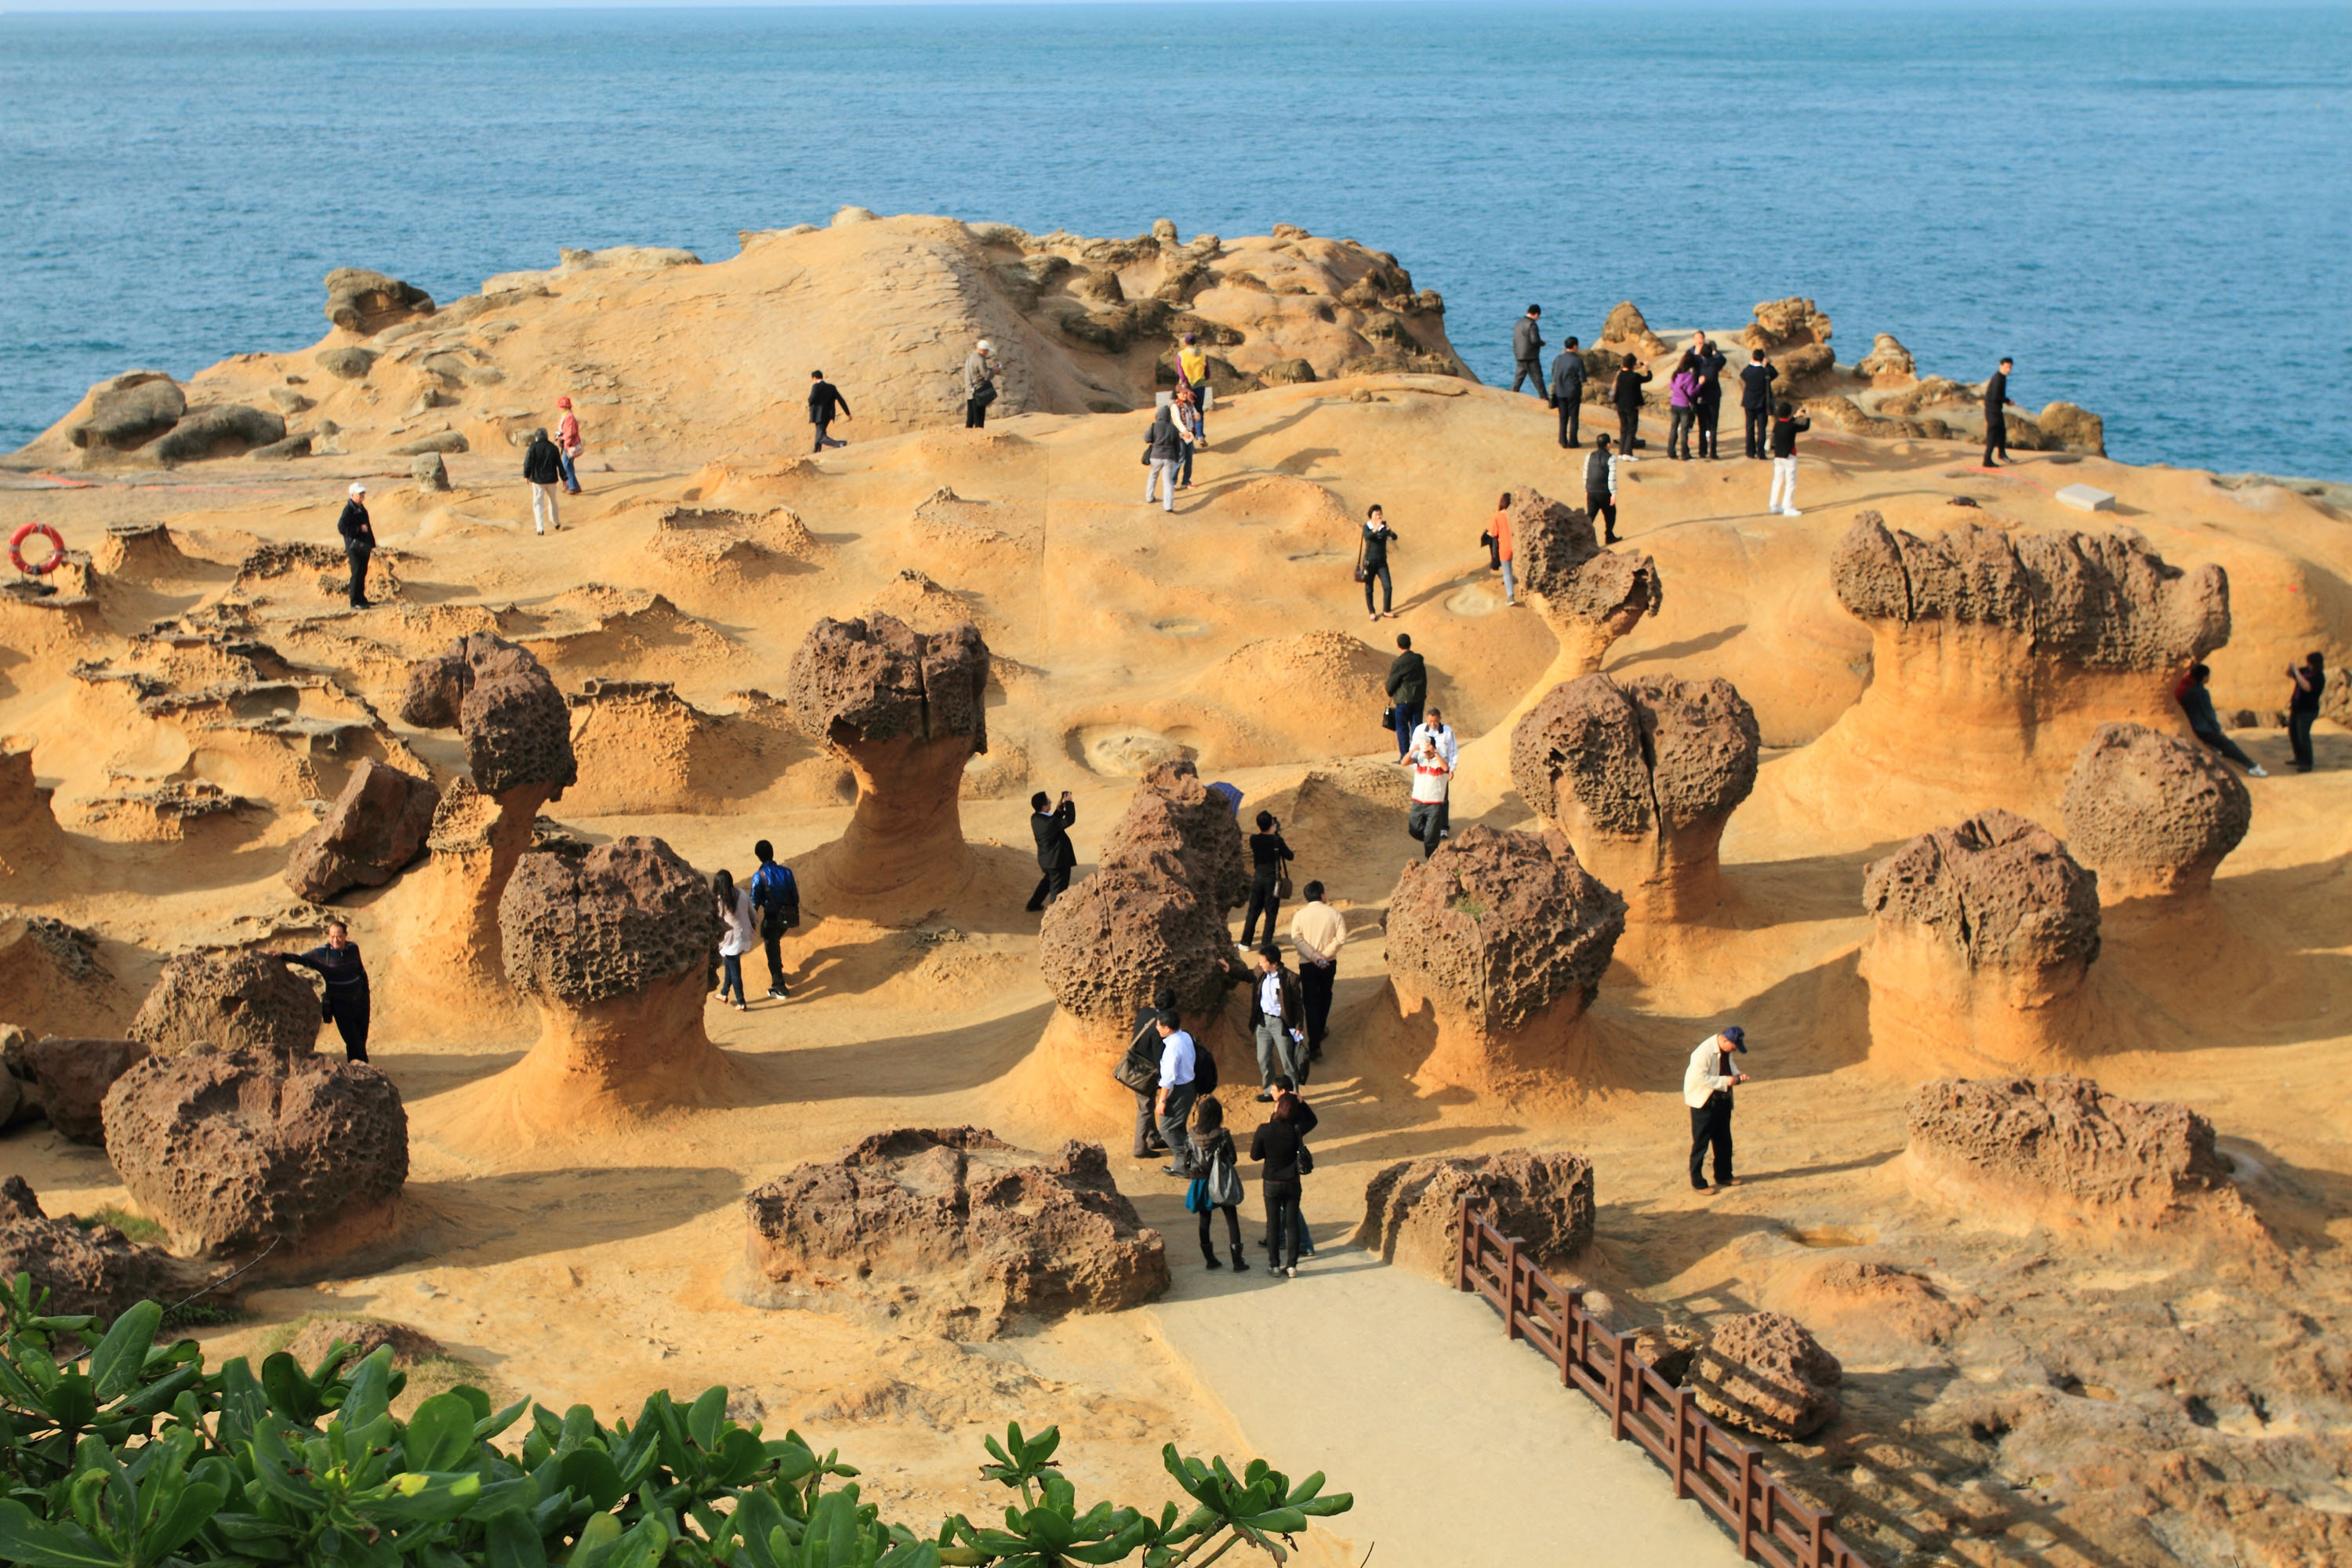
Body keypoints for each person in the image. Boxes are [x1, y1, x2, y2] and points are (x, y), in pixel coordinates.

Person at [1250, 1079, 1319, 1277]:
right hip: (1292, 1182)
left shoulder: (1264, 1130)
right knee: (1292, 1224)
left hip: (1271, 1182)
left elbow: (1255, 1155)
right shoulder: (1296, 1131)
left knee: (1272, 1224)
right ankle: (1292, 1266)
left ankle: (1274, 1265)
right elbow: (1312, 1121)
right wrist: (1302, 1103)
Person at [278, 920, 369, 1062]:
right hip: (340, 1005)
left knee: (361, 1039)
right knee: (353, 1040)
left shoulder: (353, 949)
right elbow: (302, 959)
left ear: (346, 935)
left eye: (339, 936)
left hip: (360, 1002)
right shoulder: (322, 954)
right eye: (332, 936)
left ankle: (357, 1067)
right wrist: (281, 955)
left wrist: (366, 994)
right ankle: (361, 1069)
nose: (335, 940)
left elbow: (361, 972)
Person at [1683, 1025, 1748, 1192]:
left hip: (1722, 1102)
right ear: (1725, 1040)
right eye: (1733, 1047)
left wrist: (1738, 1076)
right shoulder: (1703, 1052)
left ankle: (1724, 1175)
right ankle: (1698, 1182)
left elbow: (1729, 1067)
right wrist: (1725, 1082)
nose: (1733, 1051)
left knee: (1724, 1141)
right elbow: (1699, 1077)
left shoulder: (1725, 1050)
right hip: (1704, 1103)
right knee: (1701, 1143)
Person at [1288, 884, 1347, 1062]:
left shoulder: (1300, 915)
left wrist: (1313, 956)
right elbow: (1341, 938)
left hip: (1307, 964)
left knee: (1310, 1002)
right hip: (1329, 963)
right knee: (1325, 995)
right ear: (1322, 895)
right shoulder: (1334, 914)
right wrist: (1324, 956)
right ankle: (1320, 1030)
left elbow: (1296, 939)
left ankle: (1314, 1045)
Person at [1189, 1097, 1247, 1270]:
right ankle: (1237, 1261)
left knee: (1205, 1220)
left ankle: (1210, 1260)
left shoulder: (1191, 1135)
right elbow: (1233, 1158)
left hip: (1200, 1181)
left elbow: (1185, 1160)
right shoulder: (1223, 1135)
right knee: (1231, 1218)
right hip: (1221, 1181)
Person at [2181, 663, 2268, 776]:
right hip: (2204, 729)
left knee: (2222, 745)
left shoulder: (2188, 692)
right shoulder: (2202, 693)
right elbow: (2209, 714)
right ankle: (2252, 767)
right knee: (2228, 744)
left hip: (2195, 726)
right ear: (2204, 677)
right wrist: (2218, 729)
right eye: (2208, 676)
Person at [1124, 986, 1179, 1159]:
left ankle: (1153, 1138)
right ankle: (1140, 1148)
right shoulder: (1159, 1027)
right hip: (1145, 1072)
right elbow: (1158, 1057)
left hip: (1134, 1066)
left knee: (1145, 1104)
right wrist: (1165, 1078)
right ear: (1171, 1007)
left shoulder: (1144, 1012)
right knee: (1146, 1109)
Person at [1250, 944, 1308, 1097]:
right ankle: (1270, 1091)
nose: (1260, 963)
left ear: (1274, 963)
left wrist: (1299, 1025)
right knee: (1263, 1058)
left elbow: (1297, 1004)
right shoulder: (1260, 972)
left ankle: (1293, 1095)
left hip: (1280, 1023)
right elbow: (1246, 975)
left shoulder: (1290, 978)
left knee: (1287, 1061)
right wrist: (1229, 969)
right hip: (1263, 1022)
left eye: (1263, 961)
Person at [749, 840, 799, 1000]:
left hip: (771, 917)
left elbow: (754, 903)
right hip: (787, 917)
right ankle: (778, 969)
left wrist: (751, 922)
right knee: (775, 942)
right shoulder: (787, 872)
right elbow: (795, 897)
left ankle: (779, 987)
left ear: (758, 857)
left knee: (771, 948)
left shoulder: (759, 877)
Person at [1154, 1011, 1200, 1177]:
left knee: (1167, 1130)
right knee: (1178, 1127)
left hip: (1178, 1091)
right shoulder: (1185, 1036)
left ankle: (1185, 1162)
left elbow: (1169, 1077)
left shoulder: (1172, 1048)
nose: (1157, 1028)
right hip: (1189, 1087)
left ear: (1167, 1028)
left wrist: (1162, 1100)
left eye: (1159, 1025)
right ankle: (1188, 1161)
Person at [1240, 811, 1294, 948]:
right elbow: (1290, 856)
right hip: (1272, 880)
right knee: (1271, 913)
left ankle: (1245, 943)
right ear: (1272, 824)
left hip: (1258, 878)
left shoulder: (1254, 840)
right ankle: (1266, 944)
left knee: (1253, 911)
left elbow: (1263, 843)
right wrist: (1277, 836)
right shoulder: (1277, 841)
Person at [713, 868, 755, 1011]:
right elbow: (752, 913)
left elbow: (716, 922)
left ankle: (741, 1002)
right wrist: (753, 926)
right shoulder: (742, 894)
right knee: (731, 965)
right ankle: (724, 993)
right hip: (745, 937)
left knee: (735, 970)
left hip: (731, 942)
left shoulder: (719, 901)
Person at [1028, 789, 1077, 911]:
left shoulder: (1036, 818)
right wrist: (1069, 803)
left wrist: (1060, 807)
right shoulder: (1049, 823)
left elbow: (1053, 821)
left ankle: (1033, 905)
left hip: (1047, 860)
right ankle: (1056, 914)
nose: (1050, 801)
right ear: (1044, 807)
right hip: (1057, 861)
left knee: (1047, 882)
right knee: (1058, 889)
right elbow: (1069, 820)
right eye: (1048, 801)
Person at [1407, 734, 1451, 858]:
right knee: (1414, 828)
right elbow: (1404, 762)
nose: (1426, 753)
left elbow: (1445, 768)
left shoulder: (1440, 760)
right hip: (1418, 802)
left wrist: (1435, 753)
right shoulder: (1420, 760)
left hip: (1434, 804)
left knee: (1431, 835)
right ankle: (1430, 837)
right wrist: (1413, 750)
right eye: (1424, 751)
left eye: (1427, 751)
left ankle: (1431, 859)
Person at [1767, 400, 1811, 517]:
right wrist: (1807, 415)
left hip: (1778, 457)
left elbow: (1788, 422)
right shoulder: (1791, 426)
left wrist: (1796, 416)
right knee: (1790, 482)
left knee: (1777, 481)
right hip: (1789, 457)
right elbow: (1805, 426)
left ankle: (1774, 505)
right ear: (1789, 414)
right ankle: (1788, 507)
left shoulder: (1777, 425)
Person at [1386, 631, 1426, 759]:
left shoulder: (1399, 663)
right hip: (1418, 699)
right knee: (1416, 727)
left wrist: (1390, 691)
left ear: (1398, 645)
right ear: (1410, 644)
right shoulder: (1418, 660)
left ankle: (1405, 756)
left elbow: (1392, 682)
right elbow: (1424, 678)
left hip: (1403, 701)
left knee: (1402, 729)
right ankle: (1417, 754)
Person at [336, 482, 375, 609]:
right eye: (360, 493)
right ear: (352, 495)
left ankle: (362, 598)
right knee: (356, 572)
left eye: (363, 493)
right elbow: (341, 527)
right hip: (354, 547)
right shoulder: (349, 509)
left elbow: (367, 527)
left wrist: (371, 542)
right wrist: (358, 529)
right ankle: (354, 602)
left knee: (363, 572)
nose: (363, 495)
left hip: (363, 545)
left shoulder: (361, 508)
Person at [1359, 505, 1399, 622]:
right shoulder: (1367, 527)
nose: (1379, 516)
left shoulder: (1383, 527)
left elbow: (1395, 537)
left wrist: (1389, 531)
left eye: (1380, 514)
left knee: (1388, 587)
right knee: (1369, 588)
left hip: (1382, 562)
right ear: (1371, 516)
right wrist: (1376, 528)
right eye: (1376, 515)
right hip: (1369, 562)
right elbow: (1368, 536)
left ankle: (1386, 610)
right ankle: (1372, 612)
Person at [2288, 652, 2327, 772]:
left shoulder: (2319, 677)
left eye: (2309, 663)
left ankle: (2307, 762)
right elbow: (2290, 675)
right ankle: (2299, 758)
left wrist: (2297, 673)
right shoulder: (2305, 671)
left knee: (2303, 736)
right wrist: (2291, 669)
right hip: (2297, 708)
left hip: (2308, 711)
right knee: (2293, 734)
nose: (2307, 665)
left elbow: (2307, 687)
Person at [1144, 403, 1187, 512]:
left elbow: (1147, 439)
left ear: (1158, 415)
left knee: (1153, 476)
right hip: (1169, 457)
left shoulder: (1154, 426)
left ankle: (1149, 497)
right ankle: (1168, 506)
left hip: (1155, 456)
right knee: (1168, 482)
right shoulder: (1173, 428)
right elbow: (1177, 446)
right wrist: (1177, 458)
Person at [1692, 332, 1728, 459]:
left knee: (1702, 426)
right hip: (1714, 397)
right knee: (1713, 426)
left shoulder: (1698, 364)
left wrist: (1697, 350)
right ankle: (1713, 452)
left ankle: (1702, 452)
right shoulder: (1715, 364)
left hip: (1701, 397)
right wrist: (1715, 352)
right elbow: (1723, 359)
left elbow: (1692, 357)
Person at [523, 427, 564, 535]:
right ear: (547, 436)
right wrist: (564, 479)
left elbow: (527, 462)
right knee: (553, 500)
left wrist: (526, 475)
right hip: (551, 480)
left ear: (536, 437)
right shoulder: (553, 448)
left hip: (537, 480)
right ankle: (556, 522)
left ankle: (540, 528)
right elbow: (560, 465)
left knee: (538, 503)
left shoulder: (533, 447)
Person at [1740, 350, 1779, 459]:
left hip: (1749, 403)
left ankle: (1750, 451)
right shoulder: (1765, 372)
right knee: (1762, 429)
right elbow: (1775, 374)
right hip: (1762, 403)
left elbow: (1743, 374)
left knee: (1750, 427)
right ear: (1763, 359)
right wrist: (1768, 365)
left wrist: (1750, 363)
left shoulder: (1749, 371)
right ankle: (1761, 452)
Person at [1549, 336, 1587, 447]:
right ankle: (1573, 442)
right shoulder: (1578, 360)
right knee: (1574, 418)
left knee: (1563, 417)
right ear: (1575, 346)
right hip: (1573, 392)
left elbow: (1553, 374)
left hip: (1560, 391)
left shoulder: (1559, 359)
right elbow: (1582, 378)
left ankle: (1562, 440)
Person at [1612, 354, 1653, 452]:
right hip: (1632, 406)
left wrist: (1636, 364)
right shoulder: (1635, 376)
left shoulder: (1620, 375)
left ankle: (1622, 452)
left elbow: (1626, 367)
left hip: (1620, 405)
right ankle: (1628, 453)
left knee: (1623, 429)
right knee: (1631, 430)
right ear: (1633, 364)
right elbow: (1648, 378)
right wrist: (1647, 368)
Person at [1176, 333, 1213, 441]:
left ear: (1186, 343)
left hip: (1185, 388)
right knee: (1198, 411)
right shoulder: (1203, 354)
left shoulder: (1181, 355)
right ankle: (1200, 435)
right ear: (1195, 342)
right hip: (1200, 386)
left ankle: (1189, 442)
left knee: (1185, 413)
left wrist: (1186, 387)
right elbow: (1208, 374)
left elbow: (1181, 373)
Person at [1584, 434, 1620, 544]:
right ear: (1608, 444)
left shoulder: (1589, 456)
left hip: (1591, 491)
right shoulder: (1611, 458)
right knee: (1611, 514)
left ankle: (1583, 537)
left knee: (1590, 516)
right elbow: (1612, 478)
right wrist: (1613, 493)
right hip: (1604, 492)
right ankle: (1609, 536)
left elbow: (1586, 473)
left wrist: (1586, 489)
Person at [1981, 358, 2016, 466]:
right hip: (1992, 410)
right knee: (1993, 435)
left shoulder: (2002, 378)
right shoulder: (1997, 378)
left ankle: (2002, 454)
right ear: (2001, 366)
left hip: (1996, 409)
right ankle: (1987, 461)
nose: (2008, 370)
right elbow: (1996, 397)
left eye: (2010, 367)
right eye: (2006, 367)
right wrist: (2007, 401)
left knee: (2002, 433)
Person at [1667, 351, 1700, 461]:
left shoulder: (1676, 373)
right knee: (1684, 431)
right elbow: (1691, 392)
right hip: (1684, 406)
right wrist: (1700, 385)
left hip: (1674, 404)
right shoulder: (1689, 376)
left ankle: (1671, 451)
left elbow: (1671, 386)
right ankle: (1685, 454)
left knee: (1673, 429)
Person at [808, 370, 851, 452]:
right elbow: (841, 400)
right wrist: (847, 413)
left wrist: (810, 403)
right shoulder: (832, 387)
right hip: (828, 414)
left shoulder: (816, 386)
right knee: (819, 433)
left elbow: (811, 399)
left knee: (820, 436)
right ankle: (816, 451)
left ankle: (839, 444)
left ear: (814, 378)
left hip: (818, 415)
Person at [1487, 495, 1518, 605]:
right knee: (1515, 567)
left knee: (1507, 572)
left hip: (1504, 548)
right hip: (1518, 547)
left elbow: (1492, 533)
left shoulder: (1497, 516)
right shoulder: (1515, 514)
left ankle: (1510, 597)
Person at [1510, 305, 1545, 396]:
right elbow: (1534, 340)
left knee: (1518, 379)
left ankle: (1512, 395)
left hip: (1519, 355)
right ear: (1536, 314)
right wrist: (1542, 343)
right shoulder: (1532, 325)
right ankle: (1544, 398)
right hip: (1531, 356)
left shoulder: (1518, 324)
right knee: (1538, 378)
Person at [1171, 385, 1203, 488]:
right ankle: (1172, 482)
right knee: (1180, 458)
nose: (1185, 395)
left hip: (1189, 435)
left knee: (1189, 458)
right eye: (1183, 393)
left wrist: (1197, 416)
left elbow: (1194, 414)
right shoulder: (1174, 405)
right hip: (1180, 435)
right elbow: (1176, 420)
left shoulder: (1189, 404)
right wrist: (1184, 430)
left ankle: (1186, 481)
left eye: (1186, 393)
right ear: (1177, 394)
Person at [964, 339, 998, 429]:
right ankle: (978, 440)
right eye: (987, 351)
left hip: (970, 393)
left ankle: (967, 439)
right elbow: (987, 376)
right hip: (978, 393)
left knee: (970, 420)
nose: (987, 353)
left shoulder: (970, 358)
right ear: (983, 350)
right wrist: (994, 370)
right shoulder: (980, 360)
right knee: (979, 420)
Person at [555, 396, 584, 494]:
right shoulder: (566, 416)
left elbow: (571, 432)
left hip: (570, 444)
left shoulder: (569, 417)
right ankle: (570, 485)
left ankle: (573, 486)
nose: (560, 409)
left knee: (566, 465)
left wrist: (563, 438)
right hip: (567, 444)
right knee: (567, 465)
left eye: (562, 406)